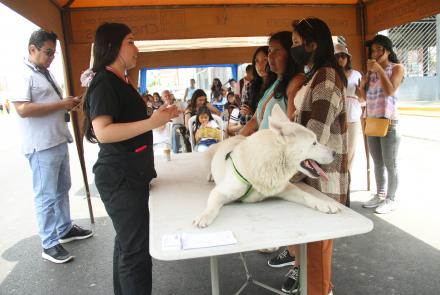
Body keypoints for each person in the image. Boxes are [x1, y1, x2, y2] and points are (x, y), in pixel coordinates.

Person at [83, 23, 179, 294]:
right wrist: (151, 122)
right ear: (113, 46)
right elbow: (103, 132)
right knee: (135, 253)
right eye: (131, 42)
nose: (136, 48)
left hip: (128, 175)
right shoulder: (104, 80)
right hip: (120, 177)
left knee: (128, 246)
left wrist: (158, 116)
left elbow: (130, 121)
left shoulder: (118, 79)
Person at [272, 17, 348, 295]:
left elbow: (316, 135)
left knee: (316, 257)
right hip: (310, 179)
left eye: (295, 43)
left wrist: (282, 174)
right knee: (312, 256)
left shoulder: (326, 78)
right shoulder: (318, 75)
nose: (294, 50)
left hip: (321, 182)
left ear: (313, 45)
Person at [11, 29, 93, 264]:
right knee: (46, 196)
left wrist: (67, 104)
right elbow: (22, 109)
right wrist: (60, 104)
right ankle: (48, 243)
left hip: (57, 139)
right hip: (40, 145)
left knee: (62, 188)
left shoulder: (44, 73)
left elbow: (50, 103)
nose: (51, 58)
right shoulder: (22, 74)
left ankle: (64, 229)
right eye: (48, 53)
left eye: (53, 54)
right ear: (32, 49)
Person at [359, 34, 404, 214]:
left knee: (390, 163)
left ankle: (390, 199)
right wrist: (362, 86)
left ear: (388, 50)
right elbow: (365, 98)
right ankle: (380, 194)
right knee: (377, 162)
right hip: (372, 121)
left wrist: (378, 69)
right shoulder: (371, 72)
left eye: (379, 49)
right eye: (373, 49)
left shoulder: (397, 68)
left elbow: (390, 91)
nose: (375, 52)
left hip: (389, 122)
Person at [239, 31, 304, 136]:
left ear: (290, 54)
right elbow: (255, 119)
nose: (270, 56)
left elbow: (290, 129)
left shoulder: (297, 80)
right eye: (269, 50)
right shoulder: (275, 83)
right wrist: (236, 142)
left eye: (277, 51)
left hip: (274, 149)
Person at [334, 44, 363, 173]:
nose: (340, 59)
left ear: (347, 58)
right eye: (337, 56)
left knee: (350, 149)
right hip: (335, 115)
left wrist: (360, 92)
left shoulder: (356, 74)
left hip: (352, 115)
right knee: (337, 148)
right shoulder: (331, 74)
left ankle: (347, 180)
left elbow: (363, 98)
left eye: (343, 56)